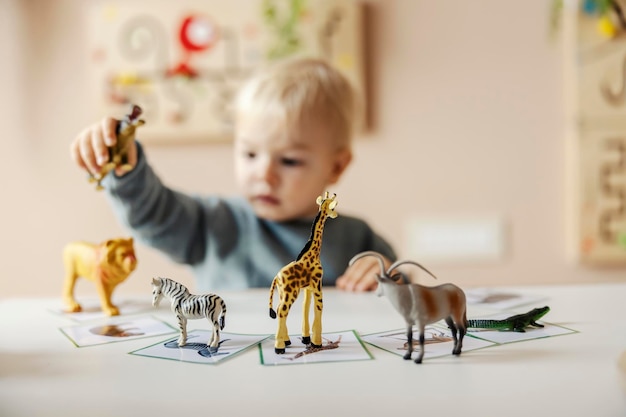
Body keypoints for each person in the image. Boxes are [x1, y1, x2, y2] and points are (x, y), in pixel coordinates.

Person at [70, 58, 396, 292]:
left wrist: (383, 274)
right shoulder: (214, 223)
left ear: (336, 167)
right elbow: (154, 214)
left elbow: (399, 293)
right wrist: (127, 168)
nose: (264, 176)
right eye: (250, 154)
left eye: (290, 161)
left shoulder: (358, 239)